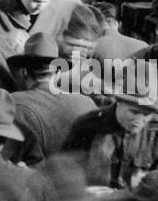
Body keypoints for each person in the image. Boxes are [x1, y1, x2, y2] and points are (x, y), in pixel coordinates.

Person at [6, 33, 96, 166]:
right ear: (59, 72)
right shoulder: (86, 102)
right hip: (80, 183)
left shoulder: (12, 103)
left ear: (24, 72)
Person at [63, 91, 158, 190]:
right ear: (119, 103)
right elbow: (66, 171)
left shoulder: (156, 132)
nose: (139, 120)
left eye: (146, 114)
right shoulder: (88, 125)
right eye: (134, 112)